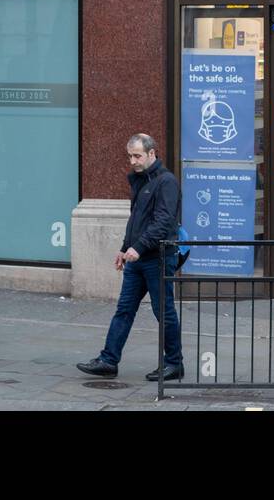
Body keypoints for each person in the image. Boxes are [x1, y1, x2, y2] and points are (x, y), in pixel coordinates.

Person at [78, 133, 184, 380]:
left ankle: (174, 363)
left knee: (164, 311)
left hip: (157, 257)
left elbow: (164, 222)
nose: (133, 161)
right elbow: (136, 220)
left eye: (137, 155)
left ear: (151, 153)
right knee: (124, 309)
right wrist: (124, 248)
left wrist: (139, 247)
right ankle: (108, 360)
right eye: (130, 156)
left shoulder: (166, 182)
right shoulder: (141, 180)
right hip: (137, 259)